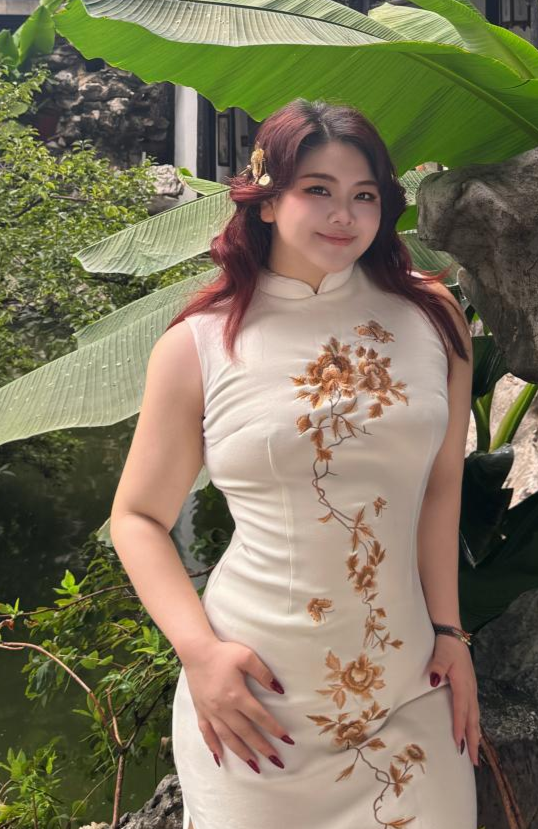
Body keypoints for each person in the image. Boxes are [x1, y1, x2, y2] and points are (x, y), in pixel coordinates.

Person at [109, 97, 480, 829]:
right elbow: (138, 517)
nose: (345, 215)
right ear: (267, 198)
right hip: (256, 711)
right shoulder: (200, 344)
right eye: (318, 189)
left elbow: (441, 489)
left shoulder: (434, 317)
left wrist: (450, 632)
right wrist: (200, 655)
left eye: (364, 195)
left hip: (409, 692)